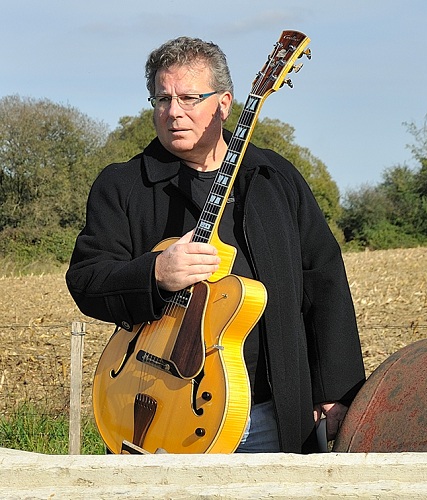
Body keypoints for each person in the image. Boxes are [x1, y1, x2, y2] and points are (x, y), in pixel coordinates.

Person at [66, 36, 365, 453]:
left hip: (276, 410)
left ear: (223, 104)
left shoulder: (274, 178)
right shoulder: (122, 185)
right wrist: (155, 273)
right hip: (160, 408)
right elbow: (86, 280)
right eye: (162, 99)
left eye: (189, 98)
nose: (173, 113)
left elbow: (324, 279)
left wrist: (336, 389)